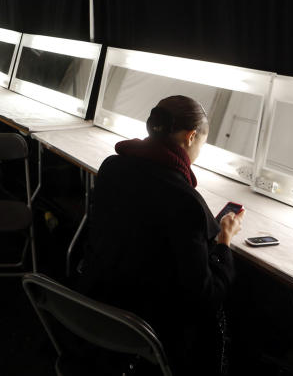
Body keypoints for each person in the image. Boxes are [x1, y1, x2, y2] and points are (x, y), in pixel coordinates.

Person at [78, 95, 244, 375]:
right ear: (191, 137)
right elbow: (205, 297)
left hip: (95, 305)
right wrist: (224, 241)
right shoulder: (185, 200)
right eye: (202, 144)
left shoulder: (111, 167)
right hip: (143, 327)